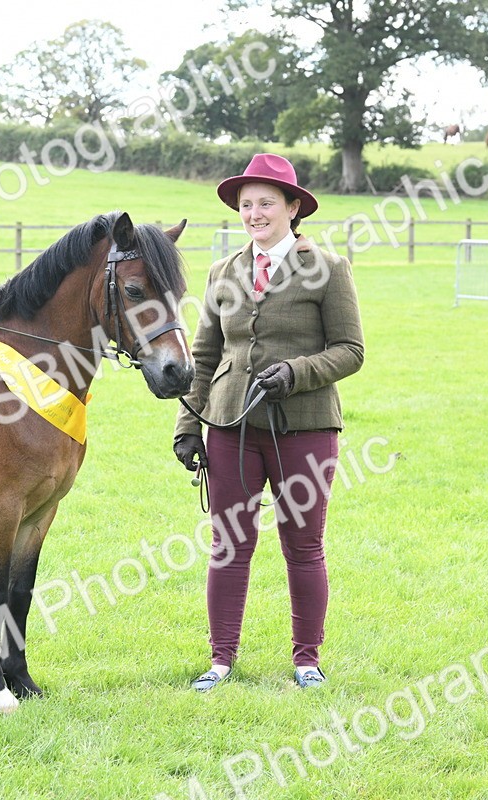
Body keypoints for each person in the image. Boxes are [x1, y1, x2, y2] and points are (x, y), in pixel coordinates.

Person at [172, 153, 364, 691]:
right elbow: (204, 357)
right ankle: (220, 661)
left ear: (293, 208)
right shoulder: (222, 272)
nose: (254, 213)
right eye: (247, 204)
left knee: (303, 544)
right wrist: (189, 426)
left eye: (266, 204)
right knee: (229, 544)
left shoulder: (329, 269)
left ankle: (307, 660)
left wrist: (296, 372)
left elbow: (351, 350)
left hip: (306, 426)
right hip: (231, 423)